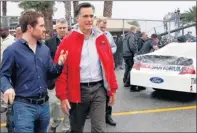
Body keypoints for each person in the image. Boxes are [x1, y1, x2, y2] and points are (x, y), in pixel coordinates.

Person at [54, 2, 118, 132]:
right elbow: (61, 71)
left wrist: (112, 90)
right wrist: (62, 96)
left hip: (99, 90)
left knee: (99, 129)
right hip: (78, 91)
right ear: (78, 18)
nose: (89, 19)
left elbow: (109, 66)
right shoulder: (68, 41)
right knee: (77, 129)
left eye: (91, 16)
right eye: (85, 16)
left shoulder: (102, 39)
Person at [0, 10, 67, 133]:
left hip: (44, 106)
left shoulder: (45, 50)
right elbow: (3, 75)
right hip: (23, 107)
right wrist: (7, 87)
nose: (44, 29)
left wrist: (60, 64)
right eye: (41, 26)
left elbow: (51, 72)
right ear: (30, 28)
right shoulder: (12, 51)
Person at [45, 18, 70, 133]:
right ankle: (54, 123)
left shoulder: (73, 41)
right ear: (56, 29)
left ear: (67, 28)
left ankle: (66, 128)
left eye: (64, 28)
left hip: (69, 79)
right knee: (54, 103)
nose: (62, 30)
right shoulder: (49, 43)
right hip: (54, 79)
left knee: (67, 104)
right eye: (60, 28)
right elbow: (47, 60)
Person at [96, 18, 117, 126]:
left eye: (104, 27)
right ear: (97, 25)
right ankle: (93, 114)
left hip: (107, 67)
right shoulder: (93, 35)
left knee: (109, 91)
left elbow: (114, 47)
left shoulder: (108, 35)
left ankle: (108, 115)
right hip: (97, 68)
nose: (103, 29)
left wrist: (108, 50)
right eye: (101, 27)